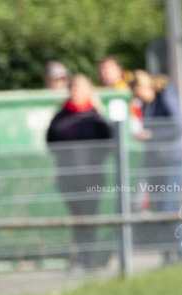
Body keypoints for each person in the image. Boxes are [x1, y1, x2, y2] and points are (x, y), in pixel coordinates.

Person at [46, 73, 114, 269]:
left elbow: (109, 144)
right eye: (72, 88)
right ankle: (82, 257)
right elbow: (51, 143)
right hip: (67, 177)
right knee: (77, 218)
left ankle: (89, 257)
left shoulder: (96, 118)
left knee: (89, 217)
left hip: (92, 177)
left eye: (79, 88)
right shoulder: (61, 117)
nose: (74, 92)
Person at [131, 70, 182, 262]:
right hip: (155, 162)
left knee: (169, 209)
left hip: (171, 161)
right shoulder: (147, 104)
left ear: (146, 87)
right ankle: (166, 258)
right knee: (158, 209)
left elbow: (178, 126)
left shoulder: (166, 95)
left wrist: (151, 134)